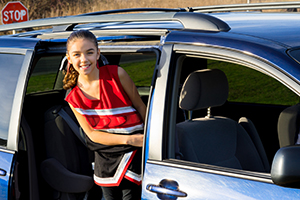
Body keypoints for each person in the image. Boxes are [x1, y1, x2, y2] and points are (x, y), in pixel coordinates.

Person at [63, 30, 146, 200]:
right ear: (69, 58)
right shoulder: (73, 98)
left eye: (90, 52)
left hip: (134, 153)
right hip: (105, 158)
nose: (84, 59)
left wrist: (150, 139)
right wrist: (130, 139)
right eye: (77, 54)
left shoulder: (117, 74)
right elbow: (92, 134)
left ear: (98, 53)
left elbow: (140, 105)